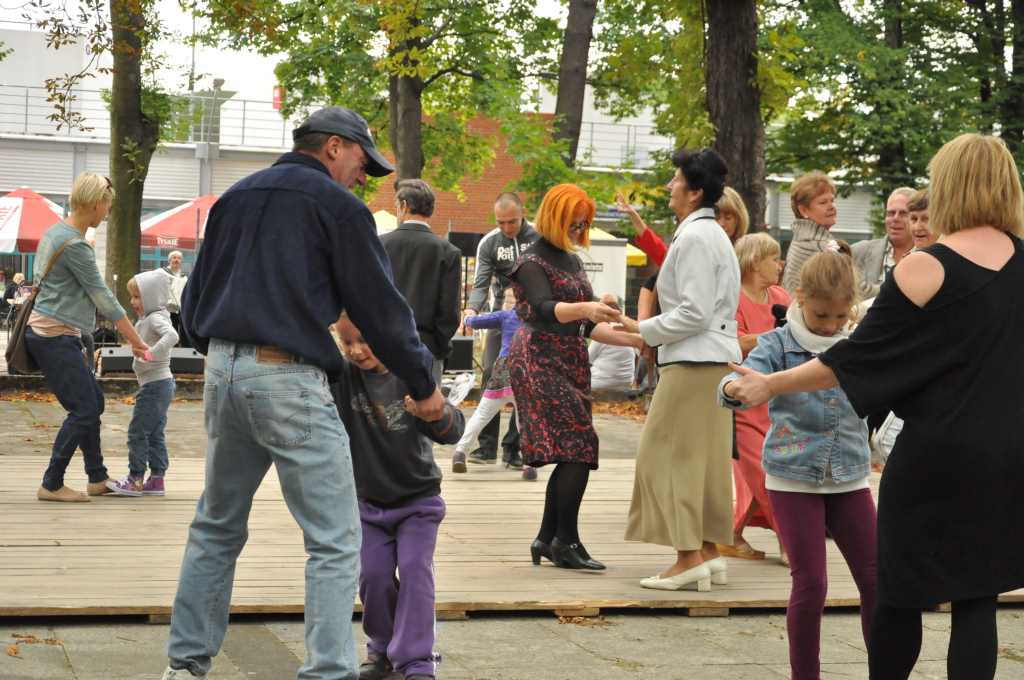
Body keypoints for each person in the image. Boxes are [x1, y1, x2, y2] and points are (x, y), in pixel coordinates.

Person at [724, 132, 1024, 680]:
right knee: (978, 600)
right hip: (1007, 457)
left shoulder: (925, 267)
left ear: (951, 186)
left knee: (898, 594)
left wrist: (772, 385)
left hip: (935, 456)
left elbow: (855, 358)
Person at [163, 106, 444, 680]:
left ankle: (185, 668)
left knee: (216, 526)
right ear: (336, 147)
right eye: (362, 163)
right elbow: (382, 310)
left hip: (221, 369)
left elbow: (191, 304)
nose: (362, 178)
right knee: (335, 538)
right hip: (287, 374)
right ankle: (329, 672)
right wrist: (424, 385)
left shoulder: (234, 197)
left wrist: (223, 346)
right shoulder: (338, 209)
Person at [720, 246, 877, 680]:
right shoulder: (776, 343)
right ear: (800, 298)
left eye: (838, 317)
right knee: (812, 586)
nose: (830, 325)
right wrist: (734, 388)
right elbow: (739, 378)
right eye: (821, 316)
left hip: (850, 477)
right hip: (792, 479)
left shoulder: (857, 344)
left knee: (876, 580)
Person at [619, 148, 740, 591]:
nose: (669, 187)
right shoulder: (713, 235)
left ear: (695, 192)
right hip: (713, 361)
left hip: (693, 360)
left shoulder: (694, 238)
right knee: (703, 461)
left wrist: (642, 328)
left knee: (664, 457)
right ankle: (707, 553)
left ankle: (688, 556)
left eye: (675, 181)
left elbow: (693, 312)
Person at [508, 183, 642, 571]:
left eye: (582, 224)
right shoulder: (530, 260)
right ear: (555, 216)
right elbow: (545, 308)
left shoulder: (571, 258)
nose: (577, 230)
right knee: (579, 446)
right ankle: (565, 541)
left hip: (569, 358)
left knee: (573, 450)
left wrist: (634, 337)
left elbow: (585, 326)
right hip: (537, 358)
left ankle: (548, 538)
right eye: (573, 223)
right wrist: (587, 306)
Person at [331, 313, 464, 680]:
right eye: (347, 343)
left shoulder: (412, 372)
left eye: (364, 340)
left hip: (417, 501)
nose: (356, 351)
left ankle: (417, 660)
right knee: (373, 576)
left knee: (414, 570)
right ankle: (382, 650)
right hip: (367, 503)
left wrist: (434, 415)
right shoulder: (343, 377)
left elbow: (453, 428)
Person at [25, 172, 149, 503]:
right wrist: (136, 340)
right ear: (96, 204)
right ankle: (51, 484)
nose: (108, 212)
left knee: (92, 402)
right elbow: (104, 298)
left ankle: (97, 477)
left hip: (52, 334)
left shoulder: (55, 232)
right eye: (107, 206)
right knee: (84, 408)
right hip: (53, 336)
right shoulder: (75, 245)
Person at [719, 232, 789, 564]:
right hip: (743, 402)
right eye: (774, 258)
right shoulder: (733, 298)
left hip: (777, 400)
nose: (780, 264)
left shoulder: (780, 296)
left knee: (771, 471)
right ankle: (790, 541)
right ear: (752, 262)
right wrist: (776, 336)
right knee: (761, 473)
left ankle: (729, 534)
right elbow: (735, 344)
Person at [462, 192, 540, 467]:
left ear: (523, 213)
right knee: (490, 373)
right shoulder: (490, 242)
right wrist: (472, 308)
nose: (507, 227)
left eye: (512, 222)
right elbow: (481, 281)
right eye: (501, 222)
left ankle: (513, 449)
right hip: (502, 316)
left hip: (534, 318)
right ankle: (486, 448)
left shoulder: (540, 238)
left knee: (527, 381)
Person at [381, 179, 461, 380]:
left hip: (385, 345)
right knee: (427, 409)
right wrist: (440, 347)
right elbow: (449, 312)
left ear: (404, 205)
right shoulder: (447, 251)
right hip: (428, 346)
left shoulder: (380, 245)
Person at [108, 270, 179, 496]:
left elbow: (173, 336)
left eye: (138, 297)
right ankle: (157, 479)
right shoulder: (152, 317)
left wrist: (151, 354)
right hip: (160, 384)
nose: (133, 302)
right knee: (155, 432)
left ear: (152, 296)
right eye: (132, 297)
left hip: (155, 386)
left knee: (137, 432)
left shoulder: (155, 317)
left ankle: (135, 478)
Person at [453, 288, 523, 475]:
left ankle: (460, 452)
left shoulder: (505, 316)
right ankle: (530, 464)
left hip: (501, 371)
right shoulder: (539, 320)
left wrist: (467, 317)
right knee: (524, 421)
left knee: (482, 413)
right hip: (523, 374)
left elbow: (475, 322)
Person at [852, 187, 916, 298]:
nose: (895, 218)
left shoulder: (930, 257)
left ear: (915, 218)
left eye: (903, 213)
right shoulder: (858, 252)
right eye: (891, 213)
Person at [781, 171, 838, 294]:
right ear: (803, 210)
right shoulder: (821, 244)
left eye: (832, 200)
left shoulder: (802, 238)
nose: (831, 206)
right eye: (823, 202)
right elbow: (852, 287)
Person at [589, 297, 636, 393]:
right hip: (626, 383)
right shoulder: (628, 330)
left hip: (600, 383)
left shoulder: (603, 332)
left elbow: (587, 358)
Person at [164, 250, 189, 347]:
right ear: (169, 260)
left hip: (181, 308)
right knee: (170, 330)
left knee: (184, 330)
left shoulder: (184, 277)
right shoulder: (164, 274)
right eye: (174, 258)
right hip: (168, 308)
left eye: (178, 258)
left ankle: (185, 349)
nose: (176, 260)